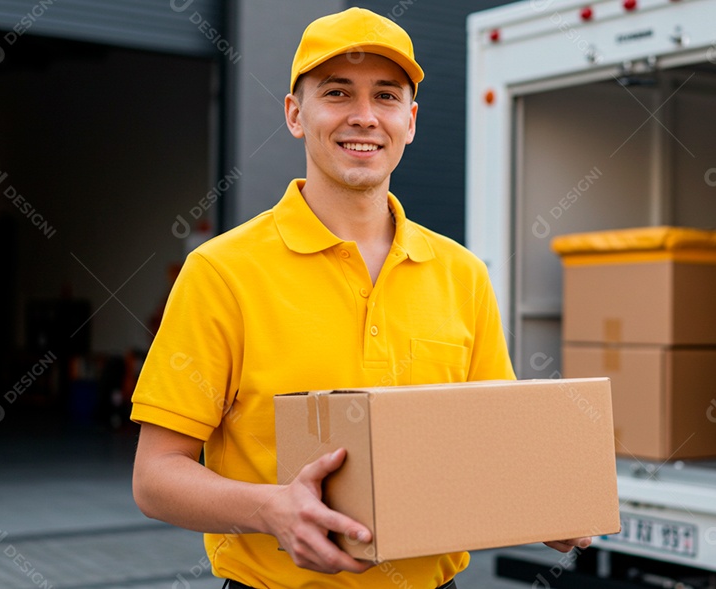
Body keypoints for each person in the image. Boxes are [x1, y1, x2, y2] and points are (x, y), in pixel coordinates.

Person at [130, 7, 590, 589]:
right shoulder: (222, 272)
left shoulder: (462, 274)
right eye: (338, 92)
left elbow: (489, 449)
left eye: (387, 96)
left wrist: (544, 504)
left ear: (411, 120)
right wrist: (271, 510)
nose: (365, 117)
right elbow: (155, 477)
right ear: (297, 115)